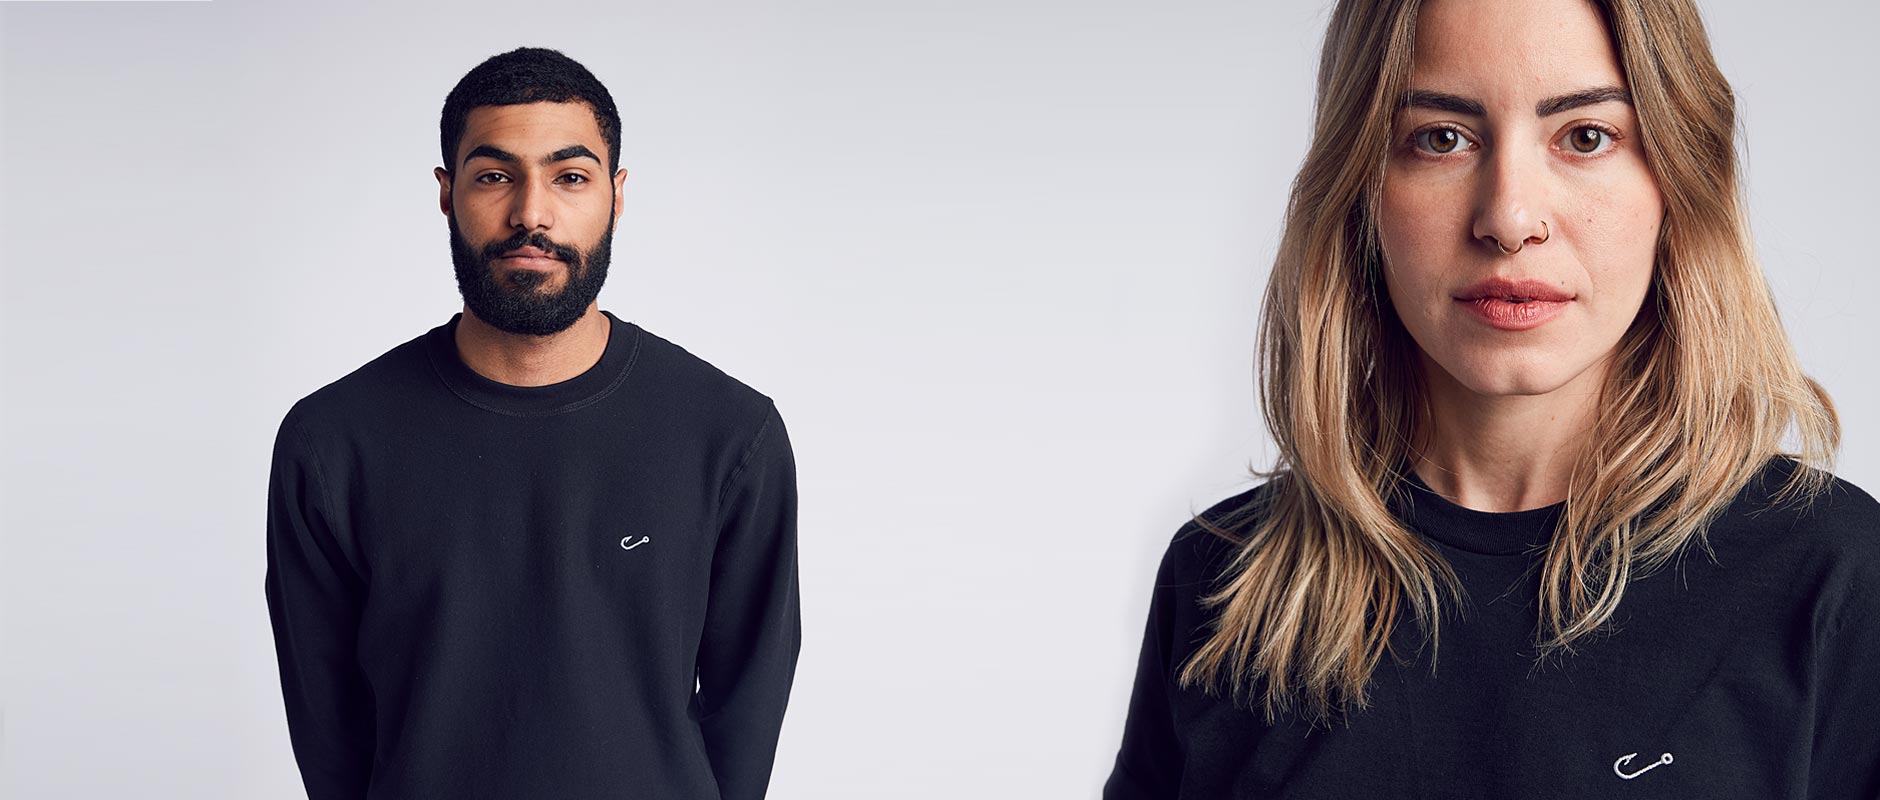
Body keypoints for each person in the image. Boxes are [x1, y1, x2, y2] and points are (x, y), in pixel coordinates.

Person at [1103, 0, 1879, 797]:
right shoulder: (1224, 580)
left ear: (1679, 179)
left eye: (1586, 136)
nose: (1509, 219)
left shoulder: (1837, 577)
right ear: (1362, 187)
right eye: (1441, 138)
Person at [265, 47, 800, 800]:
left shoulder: (731, 435)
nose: (532, 213)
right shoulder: (331, 444)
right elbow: (329, 736)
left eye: (570, 177)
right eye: (494, 176)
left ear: (616, 195)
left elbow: (746, 721)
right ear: (447, 194)